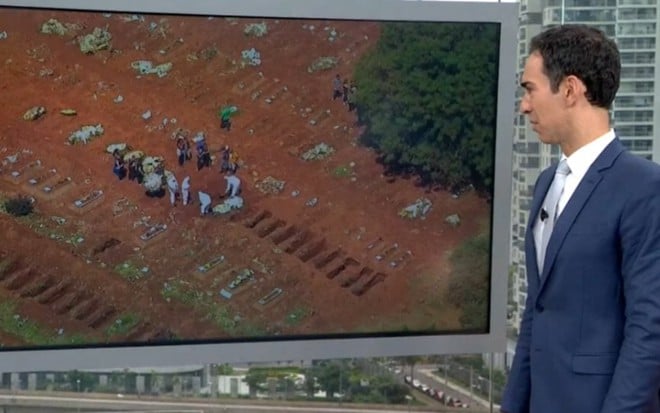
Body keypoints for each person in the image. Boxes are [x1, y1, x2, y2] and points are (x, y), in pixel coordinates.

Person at [502, 25, 660, 413]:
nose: (524, 106)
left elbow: (650, 328)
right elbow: (536, 313)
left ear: (570, 89)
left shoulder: (644, 188)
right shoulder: (545, 185)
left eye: (530, 89)